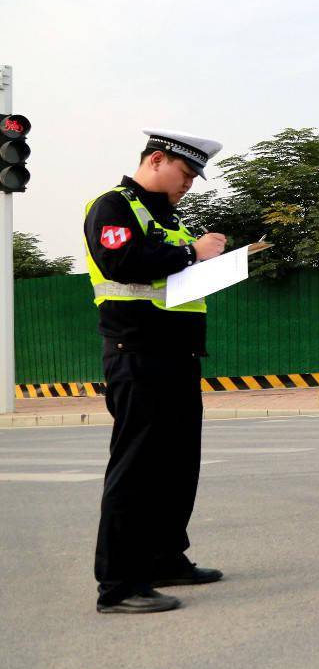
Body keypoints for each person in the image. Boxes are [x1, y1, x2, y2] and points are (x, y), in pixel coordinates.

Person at [83, 130, 229, 614]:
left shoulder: (170, 219)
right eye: (185, 174)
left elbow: (174, 278)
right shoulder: (113, 205)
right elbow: (121, 262)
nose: (189, 184)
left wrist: (213, 262)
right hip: (137, 353)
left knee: (177, 465)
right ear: (157, 159)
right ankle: (119, 585)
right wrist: (193, 254)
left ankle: (167, 558)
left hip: (178, 357)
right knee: (137, 470)